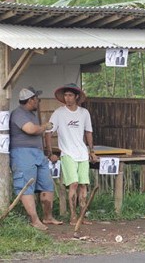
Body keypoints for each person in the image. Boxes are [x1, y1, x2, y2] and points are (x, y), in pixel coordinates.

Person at [9, 87, 62, 230]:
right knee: (26, 186)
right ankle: (34, 220)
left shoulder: (32, 114)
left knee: (47, 184)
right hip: (22, 154)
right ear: (31, 100)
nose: (38, 101)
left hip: (38, 153)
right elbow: (30, 130)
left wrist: (47, 151)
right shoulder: (18, 113)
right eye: (36, 99)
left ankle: (48, 217)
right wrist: (45, 126)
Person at [45, 83, 98, 225]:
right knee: (73, 184)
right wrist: (50, 152)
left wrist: (91, 151)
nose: (67, 98)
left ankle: (82, 216)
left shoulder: (84, 113)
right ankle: (72, 216)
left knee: (83, 184)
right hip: (67, 153)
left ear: (76, 97)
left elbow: (88, 132)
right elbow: (48, 132)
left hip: (82, 152)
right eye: (65, 95)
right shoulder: (59, 113)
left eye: (70, 95)